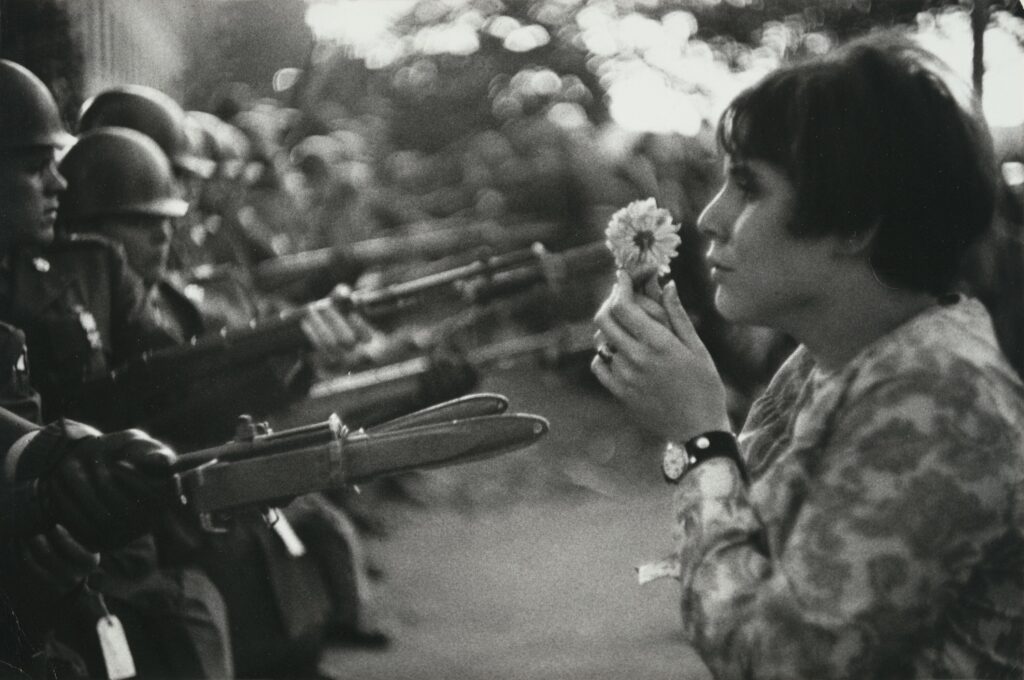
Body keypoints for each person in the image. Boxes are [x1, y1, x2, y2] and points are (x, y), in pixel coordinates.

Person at [592, 34, 1023, 679]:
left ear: (855, 222)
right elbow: (750, 551)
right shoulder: (831, 362)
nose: (709, 217)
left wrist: (699, 437)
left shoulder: (939, 391)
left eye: (748, 187)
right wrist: (690, 415)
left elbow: (777, 660)